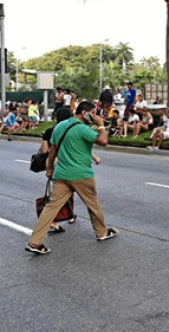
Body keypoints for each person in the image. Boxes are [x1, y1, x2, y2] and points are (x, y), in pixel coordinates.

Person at [25, 101, 118, 256]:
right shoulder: (83, 129)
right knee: (93, 205)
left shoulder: (60, 127)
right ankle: (101, 233)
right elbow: (103, 141)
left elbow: (53, 151)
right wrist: (101, 125)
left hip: (61, 174)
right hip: (81, 175)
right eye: (92, 113)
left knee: (51, 208)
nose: (94, 116)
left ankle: (34, 242)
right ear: (84, 113)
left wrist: (49, 169)